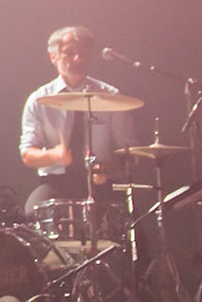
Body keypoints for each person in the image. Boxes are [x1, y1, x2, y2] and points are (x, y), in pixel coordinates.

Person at [18, 25, 139, 218]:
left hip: (101, 180)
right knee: (31, 215)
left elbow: (130, 151)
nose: (78, 59)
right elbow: (27, 154)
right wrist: (54, 155)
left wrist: (106, 167)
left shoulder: (110, 95)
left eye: (83, 53)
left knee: (134, 228)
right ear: (53, 57)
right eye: (70, 53)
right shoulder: (38, 100)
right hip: (56, 182)